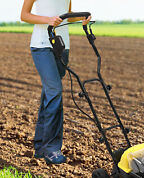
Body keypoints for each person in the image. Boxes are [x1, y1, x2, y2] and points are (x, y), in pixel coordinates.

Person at [20, 0, 91, 164]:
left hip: (61, 46)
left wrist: (81, 17)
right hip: (42, 45)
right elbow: (24, 15)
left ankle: (40, 146)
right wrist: (48, 20)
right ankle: (51, 149)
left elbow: (65, 16)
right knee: (55, 92)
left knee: (49, 94)